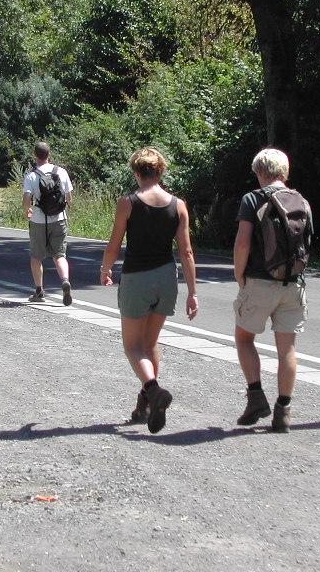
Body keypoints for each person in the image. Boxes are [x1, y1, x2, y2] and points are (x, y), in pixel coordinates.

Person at [101, 147, 199, 434]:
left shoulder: (128, 203)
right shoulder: (178, 205)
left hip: (136, 279)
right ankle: (145, 405)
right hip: (166, 278)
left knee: (132, 346)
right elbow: (187, 251)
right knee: (150, 343)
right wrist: (193, 292)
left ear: (136, 172)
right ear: (161, 171)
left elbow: (115, 242)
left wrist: (106, 269)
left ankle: (153, 391)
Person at [232, 148, 313, 432]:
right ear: (284, 172)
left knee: (244, 338)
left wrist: (239, 274)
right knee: (287, 348)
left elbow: (243, 242)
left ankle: (256, 397)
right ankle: (284, 410)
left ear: (260, 172)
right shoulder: (301, 201)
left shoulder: (252, 199)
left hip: (259, 280)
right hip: (293, 284)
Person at [22, 142, 75, 305]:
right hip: (59, 219)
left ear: (34, 155)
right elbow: (69, 199)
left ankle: (39, 291)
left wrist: (28, 210)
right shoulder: (61, 172)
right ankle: (65, 280)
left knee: (36, 257)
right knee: (59, 255)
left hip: (38, 220)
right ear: (49, 154)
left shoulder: (31, 175)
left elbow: (26, 199)